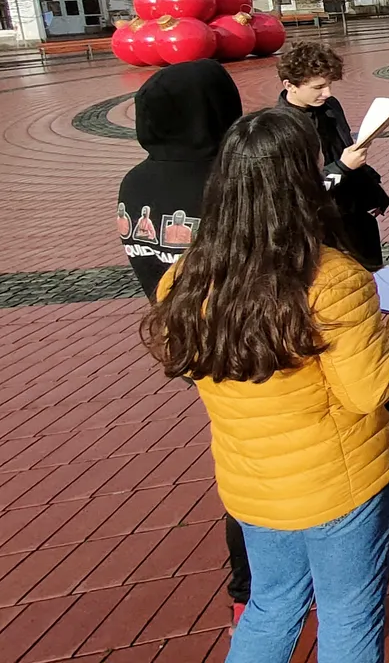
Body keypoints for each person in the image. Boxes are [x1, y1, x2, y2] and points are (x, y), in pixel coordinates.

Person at [145, 109, 389, 662]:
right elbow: (368, 390)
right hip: (340, 483)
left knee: (273, 605)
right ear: (303, 184)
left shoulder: (184, 279)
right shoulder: (330, 276)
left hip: (253, 484)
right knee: (348, 614)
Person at [118, 59, 250, 623]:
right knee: (268, 461)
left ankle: (248, 584)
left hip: (188, 340)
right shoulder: (227, 181)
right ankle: (255, 576)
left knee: (241, 452)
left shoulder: (136, 181)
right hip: (253, 342)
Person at [276, 42, 389, 270]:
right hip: (322, 226)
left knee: (372, 276)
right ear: (290, 85)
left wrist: (373, 193)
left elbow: (343, 147)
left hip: (355, 217)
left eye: (328, 85)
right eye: (318, 87)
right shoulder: (281, 128)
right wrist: (342, 167)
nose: (327, 93)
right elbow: (299, 190)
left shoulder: (330, 106)